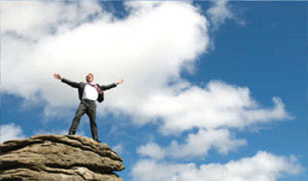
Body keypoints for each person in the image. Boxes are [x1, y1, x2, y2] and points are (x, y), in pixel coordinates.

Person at [53, 73, 124, 142]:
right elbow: (72, 83)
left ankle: (95, 139)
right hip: (84, 103)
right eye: (87, 77)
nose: (88, 77)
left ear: (93, 78)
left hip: (92, 104)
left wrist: (116, 83)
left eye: (90, 77)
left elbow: (107, 87)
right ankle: (71, 133)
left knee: (93, 121)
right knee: (77, 116)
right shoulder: (82, 84)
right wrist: (61, 78)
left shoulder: (97, 86)